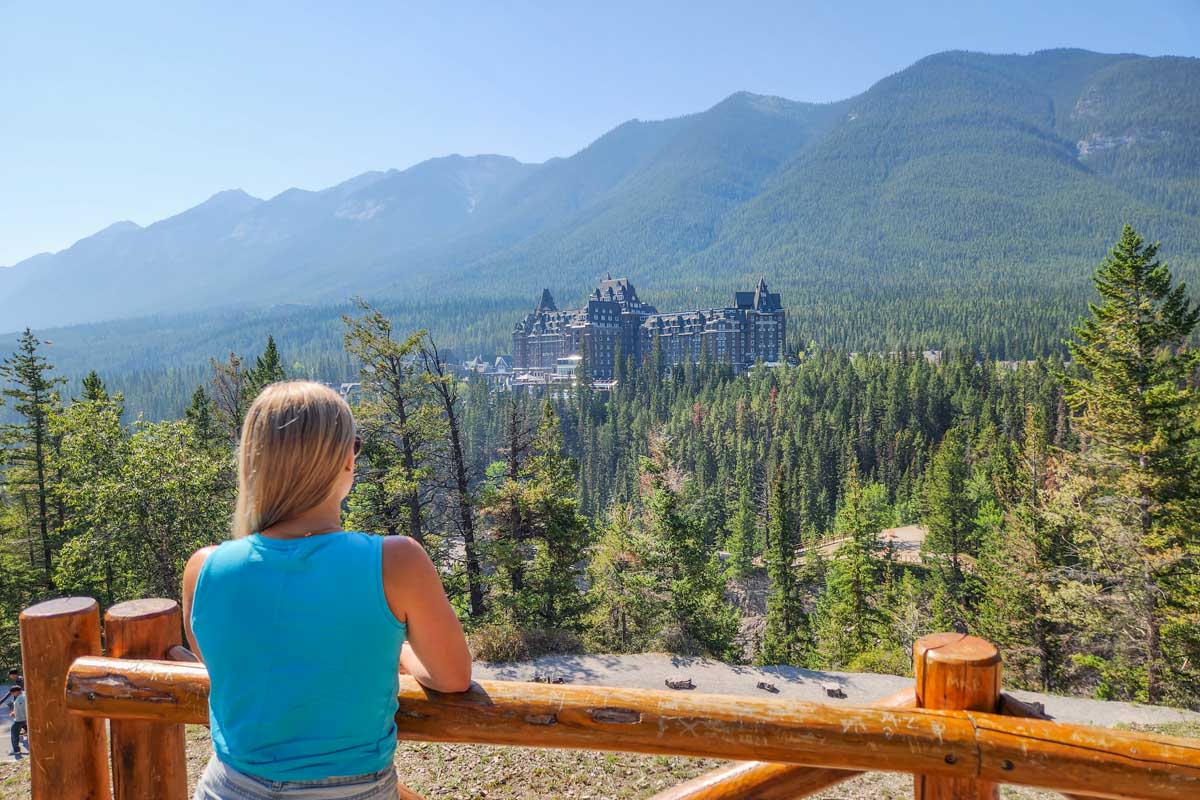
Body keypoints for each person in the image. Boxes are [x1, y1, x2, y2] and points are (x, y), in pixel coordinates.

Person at [184, 381, 471, 800]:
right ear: (345, 462)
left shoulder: (204, 569)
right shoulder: (397, 561)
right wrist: (400, 648)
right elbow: (453, 678)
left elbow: (230, 668)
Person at [9, 685, 27, 756]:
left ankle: (16, 750)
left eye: (12, 693)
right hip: (23, 719)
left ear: (16, 691)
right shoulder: (23, 696)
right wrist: (14, 712)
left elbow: (22, 709)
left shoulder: (20, 699)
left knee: (14, 734)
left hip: (19, 720)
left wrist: (14, 714)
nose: (12, 694)